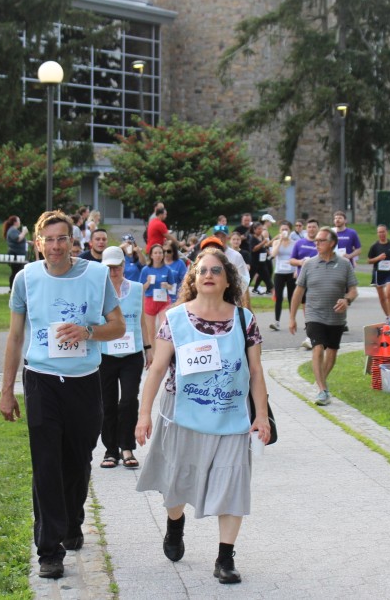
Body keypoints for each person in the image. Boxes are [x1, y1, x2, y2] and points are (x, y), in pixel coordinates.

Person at [0, 210, 125, 580]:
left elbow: (118, 326)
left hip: (85, 380)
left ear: (73, 242)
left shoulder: (96, 275)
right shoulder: (26, 279)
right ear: (38, 243)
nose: (55, 247)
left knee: (78, 459)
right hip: (42, 380)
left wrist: (88, 332)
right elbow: (15, 337)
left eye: (61, 239)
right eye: (48, 240)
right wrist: (7, 391)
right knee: (46, 463)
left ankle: (71, 521)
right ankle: (49, 550)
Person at [135, 247, 271, 585]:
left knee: (233, 481)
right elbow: (157, 370)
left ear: (228, 280)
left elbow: (256, 371)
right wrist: (144, 414)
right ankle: (175, 524)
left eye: (216, 270)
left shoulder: (245, 320)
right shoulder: (175, 318)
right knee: (177, 482)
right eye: (202, 270)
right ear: (193, 279)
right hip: (182, 416)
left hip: (230, 417)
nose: (209, 275)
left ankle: (225, 558)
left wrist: (262, 416)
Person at [288, 226, 358, 406]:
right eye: (316, 241)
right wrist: (292, 317)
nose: (316, 243)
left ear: (332, 243)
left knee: (332, 352)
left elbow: (353, 290)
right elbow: (298, 292)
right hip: (314, 314)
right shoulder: (309, 264)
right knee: (318, 348)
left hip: (336, 317)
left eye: (321, 241)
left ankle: (321, 382)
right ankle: (322, 390)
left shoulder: (344, 264)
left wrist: (347, 300)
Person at [98, 246, 148, 470]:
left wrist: (148, 347)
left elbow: (142, 321)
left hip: (132, 354)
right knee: (107, 403)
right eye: (109, 268)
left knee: (128, 400)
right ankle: (110, 449)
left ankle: (126, 446)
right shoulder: (98, 290)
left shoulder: (136, 289)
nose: (113, 272)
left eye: (116, 267)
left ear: (124, 266)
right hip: (105, 354)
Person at [139, 244, 177, 350]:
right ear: (151, 255)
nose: (158, 255)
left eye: (160, 253)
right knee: (150, 332)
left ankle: (163, 353)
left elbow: (172, 287)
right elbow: (141, 288)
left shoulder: (167, 269)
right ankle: (153, 355)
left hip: (164, 301)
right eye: (155, 253)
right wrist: (148, 283)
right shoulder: (146, 270)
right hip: (149, 301)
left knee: (163, 328)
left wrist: (167, 286)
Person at [289, 219, 320, 349]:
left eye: (314, 227)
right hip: (303, 281)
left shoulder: (320, 244)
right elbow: (291, 260)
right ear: (307, 229)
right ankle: (310, 336)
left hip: (318, 281)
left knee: (316, 309)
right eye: (310, 227)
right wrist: (300, 263)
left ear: (318, 229)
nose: (312, 229)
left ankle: (314, 336)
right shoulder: (299, 243)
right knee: (307, 309)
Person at [368, 224, 390, 329]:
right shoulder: (375, 246)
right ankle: (388, 316)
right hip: (378, 274)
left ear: (387, 232)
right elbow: (369, 260)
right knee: (382, 297)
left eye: (383, 232)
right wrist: (378, 258)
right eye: (379, 232)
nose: (381, 234)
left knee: (389, 293)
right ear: (377, 233)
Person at [268, 220, 297, 331]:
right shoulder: (276, 242)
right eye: (282, 229)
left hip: (291, 272)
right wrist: (280, 240)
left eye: (286, 229)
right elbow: (273, 254)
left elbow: (296, 257)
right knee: (278, 297)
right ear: (279, 231)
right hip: (279, 273)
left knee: (291, 297)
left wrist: (296, 270)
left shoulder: (294, 243)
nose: (284, 231)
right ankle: (277, 322)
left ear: (290, 231)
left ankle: (292, 320)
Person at [3, 215, 30, 288]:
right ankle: (12, 287)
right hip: (15, 254)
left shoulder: (14, 230)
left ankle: (15, 287)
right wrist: (24, 232)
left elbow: (19, 240)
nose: (20, 222)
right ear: (15, 222)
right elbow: (17, 239)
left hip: (19, 254)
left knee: (18, 271)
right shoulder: (12, 230)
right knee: (16, 271)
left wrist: (27, 242)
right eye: (18, 221)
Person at [247, 222, 273, 295]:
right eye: (258, 229)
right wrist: (263, 242)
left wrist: (268, 252)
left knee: (267, 277)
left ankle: (271, 290)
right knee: (249, 277)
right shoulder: (252, 238)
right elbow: (254, 249)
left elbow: (264, 247)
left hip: (262, 262)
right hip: (254, 262)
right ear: (254, 229)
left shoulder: (262, 237)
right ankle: (242, 291)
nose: (260, 230)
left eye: (261, 229)